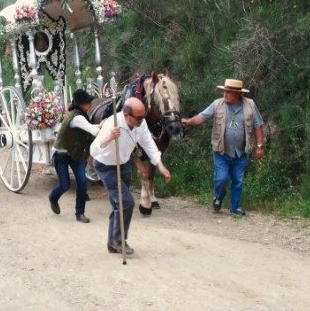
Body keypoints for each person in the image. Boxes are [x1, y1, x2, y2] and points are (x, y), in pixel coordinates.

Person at [90, 97, 171, 255]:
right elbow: (93, 150)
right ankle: (120, 241)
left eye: (144, 116)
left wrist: (161, 167)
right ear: (127, 115)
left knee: (119, 205)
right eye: (139, 117)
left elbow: (149, 145)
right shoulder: (112, 123)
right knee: (126, 202)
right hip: (106, 166)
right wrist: (109, 138)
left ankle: (113, 242)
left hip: (123, 164)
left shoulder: (141, 123)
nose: (142, 120)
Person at [181, 79, 265, 216]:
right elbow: (202, 117)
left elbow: (258, 125)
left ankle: (235, 207)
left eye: (228, 92)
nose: (225, 94)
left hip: (241, 152)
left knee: (238, 180)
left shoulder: (250, 105)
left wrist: (260, 146)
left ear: (237, 93)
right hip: (221, 151)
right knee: (221, 178)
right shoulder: (217, 104)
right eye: (224, 91)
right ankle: (218, 198)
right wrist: (188, 122)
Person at [49, 89, 100, 223]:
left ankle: (80, 213)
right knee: (65, 185)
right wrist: (106, 127)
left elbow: (90, 126)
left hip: (75, 153)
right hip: (61, 155)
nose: (91, 104)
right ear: (82, 104)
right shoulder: (77, 118)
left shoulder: (81, 115)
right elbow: (93, 130)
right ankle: (53, 197)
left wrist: (101, 124)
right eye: (88, 102)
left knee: (82, 181)